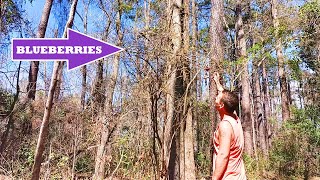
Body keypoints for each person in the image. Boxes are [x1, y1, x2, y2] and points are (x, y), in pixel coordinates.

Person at [211, 72, 247, 180]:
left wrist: (215, 178)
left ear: (221, 105)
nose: (215, 97)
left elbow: (223, 155)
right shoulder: (235, 118)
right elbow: (227, 98)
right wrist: (217, 82)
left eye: (217, 97)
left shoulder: (225, 126)